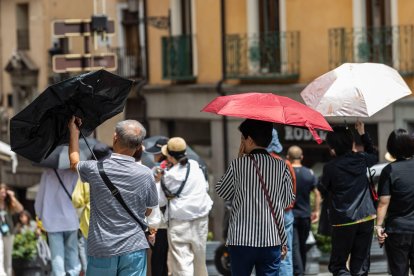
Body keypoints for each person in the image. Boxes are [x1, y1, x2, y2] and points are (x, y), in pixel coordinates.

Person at [68, 117, 158, 276]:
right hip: (134, 247)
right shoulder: (146, 174)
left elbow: (74, 163)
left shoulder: (95, 169)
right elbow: (149, 211)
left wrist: (74, 133)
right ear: (138, 146)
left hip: (103, 247)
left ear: (115, 137)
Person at [216, 119, 295, 276]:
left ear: (250, 140)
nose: (242, 142)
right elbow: (287, 201)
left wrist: (239, 158)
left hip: (241, 239)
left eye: (242, 138)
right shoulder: (281, 166)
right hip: (272, 239)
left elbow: (223, 192)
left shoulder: (238, 164)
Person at [320, 120, 378, 276]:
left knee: (338, 266)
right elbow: (374, 155)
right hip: (366, 216)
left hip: (343, 219)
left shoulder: (330, 167)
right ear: (351, 142)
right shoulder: (361, 159)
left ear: (332, 148)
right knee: (360, 265)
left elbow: (322, 189)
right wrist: (362, 133)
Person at [157, 137, 213, 276]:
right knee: (200, 264)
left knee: (182, 266)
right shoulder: (195, 166)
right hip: (200, 221)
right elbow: (205, 187)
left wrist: (158, 181)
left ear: (169, 156)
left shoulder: (169, 177)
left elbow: (160, 201)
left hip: (179, 223)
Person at [376, 129, 414, 276]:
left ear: (391, 147)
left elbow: (383, 202)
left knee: (399, 272)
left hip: (397, 230)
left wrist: (379, 226)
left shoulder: (389, 170)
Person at [71, 142, 112, 276]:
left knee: (91, 261)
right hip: (109, 224)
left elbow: (76, 200)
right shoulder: (113, 172)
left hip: (89, 224)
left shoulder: (86, 174)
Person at [35, 168, 81, 276]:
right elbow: (78, 198)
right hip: (71, 220)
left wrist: (40, 214)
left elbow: (40, 197)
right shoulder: (74, 174)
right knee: (72, 251)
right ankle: (72, 273)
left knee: (57, 255)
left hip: (52, 220)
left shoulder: (47, 173)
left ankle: (59, 274)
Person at [266, 129, 296, 276]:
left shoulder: (255, 163)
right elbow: (293, 191)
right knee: (286, 253)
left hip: (265, 213)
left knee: (265, 253)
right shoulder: (286, 163)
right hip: (285, 213)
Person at [287, 145, 321, 276]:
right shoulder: (309, 173)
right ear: (301, 157)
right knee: (302, 246)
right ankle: (302, 272)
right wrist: (316, 211)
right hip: (306, 216)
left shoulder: (286, 172)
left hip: (291, 215)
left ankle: (299, 273)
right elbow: (317, 194)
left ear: (288, 157)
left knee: (294, 247)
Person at [145, 137, 169, 276]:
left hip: (159, 222)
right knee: (162, 259)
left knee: (158, 260)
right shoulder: (166, 168)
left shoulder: (158, 170)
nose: (154, 155)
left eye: (157, 152)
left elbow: (157, 199)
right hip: (164, 221)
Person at [0, 183, 23, 276]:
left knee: (7, 257)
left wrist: (12, 197)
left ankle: (8, 274)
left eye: (5, 193)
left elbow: (20, 209)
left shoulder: (9, 204)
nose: (3, 195)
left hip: (8, 233)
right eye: (1, 192)